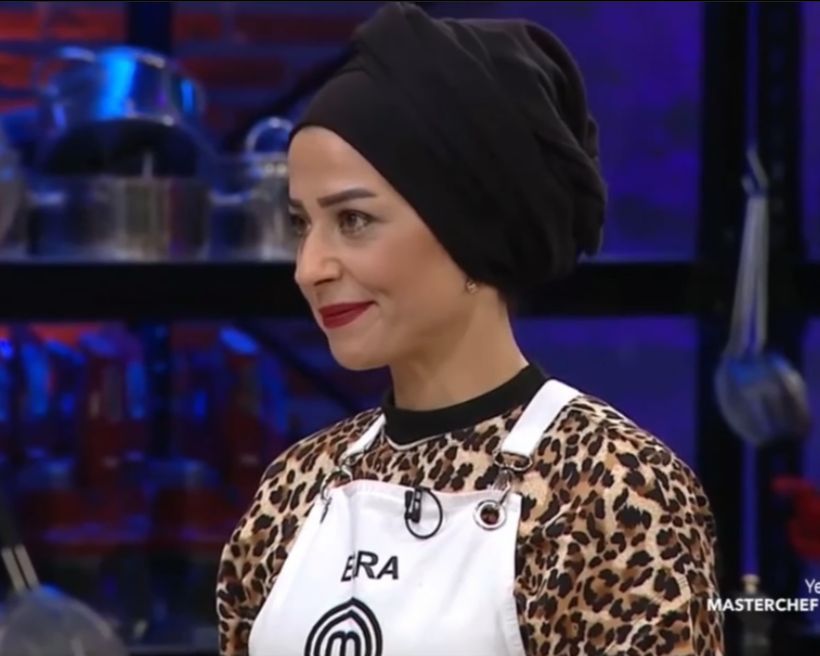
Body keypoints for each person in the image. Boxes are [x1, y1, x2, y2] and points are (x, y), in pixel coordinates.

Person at [215, 3, 724, 655]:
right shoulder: (296, 486)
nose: (309, 268)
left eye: (353, 221)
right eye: (301, 225)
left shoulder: (613, 487)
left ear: (472, 230)